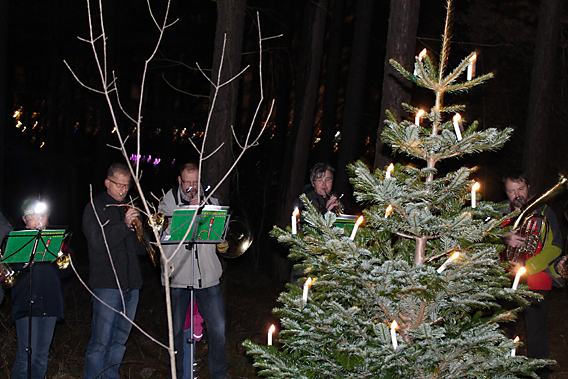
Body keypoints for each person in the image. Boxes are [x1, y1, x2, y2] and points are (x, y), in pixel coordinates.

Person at [159, 162, 229, 379]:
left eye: (195, 182)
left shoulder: (213, 203)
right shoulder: (166, 203)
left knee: (218, 330)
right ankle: (180, 375)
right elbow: (161, 235)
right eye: (187, 182)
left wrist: (222, 241)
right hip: (178, 278)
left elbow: (220, 235)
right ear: (179, 181)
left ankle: (219, 374)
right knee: (177, 333)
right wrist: (188, 211)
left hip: (208, 278)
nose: (191, 187)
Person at [83, 163, 146, 379]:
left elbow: (141, 250)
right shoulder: (95, 207)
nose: (123, 190)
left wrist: (141, 228)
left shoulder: (128, 208)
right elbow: (98, 244)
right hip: (107, 285)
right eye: (119, 185)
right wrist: (124, 226)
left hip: (132, 285)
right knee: (101, 342)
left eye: (127, 186)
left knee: (119, 341)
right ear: (107, 183)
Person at [500, 171, 563, 379]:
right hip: (504, 279)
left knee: (535, 330)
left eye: (521, 189)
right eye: (511, 191)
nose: (516, 194)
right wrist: (503, 238)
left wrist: (528, 265)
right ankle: (500, 369)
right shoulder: (501, 213)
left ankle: (539, 374)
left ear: (529, 189)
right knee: (503, 327)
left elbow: (555, 247)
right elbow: (483, 239)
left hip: (536, 278)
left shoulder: (545, 212)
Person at [10, 199, 68, 379]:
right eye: (33, 217)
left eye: (42, 216)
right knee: (27, 355)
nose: (39, 221)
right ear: (24, 220)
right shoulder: (16, 241)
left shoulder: (56, 240)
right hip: (26, 303)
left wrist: (62, 261)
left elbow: (66, 273)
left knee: (42, 357)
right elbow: (12, 270)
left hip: (50, 302)